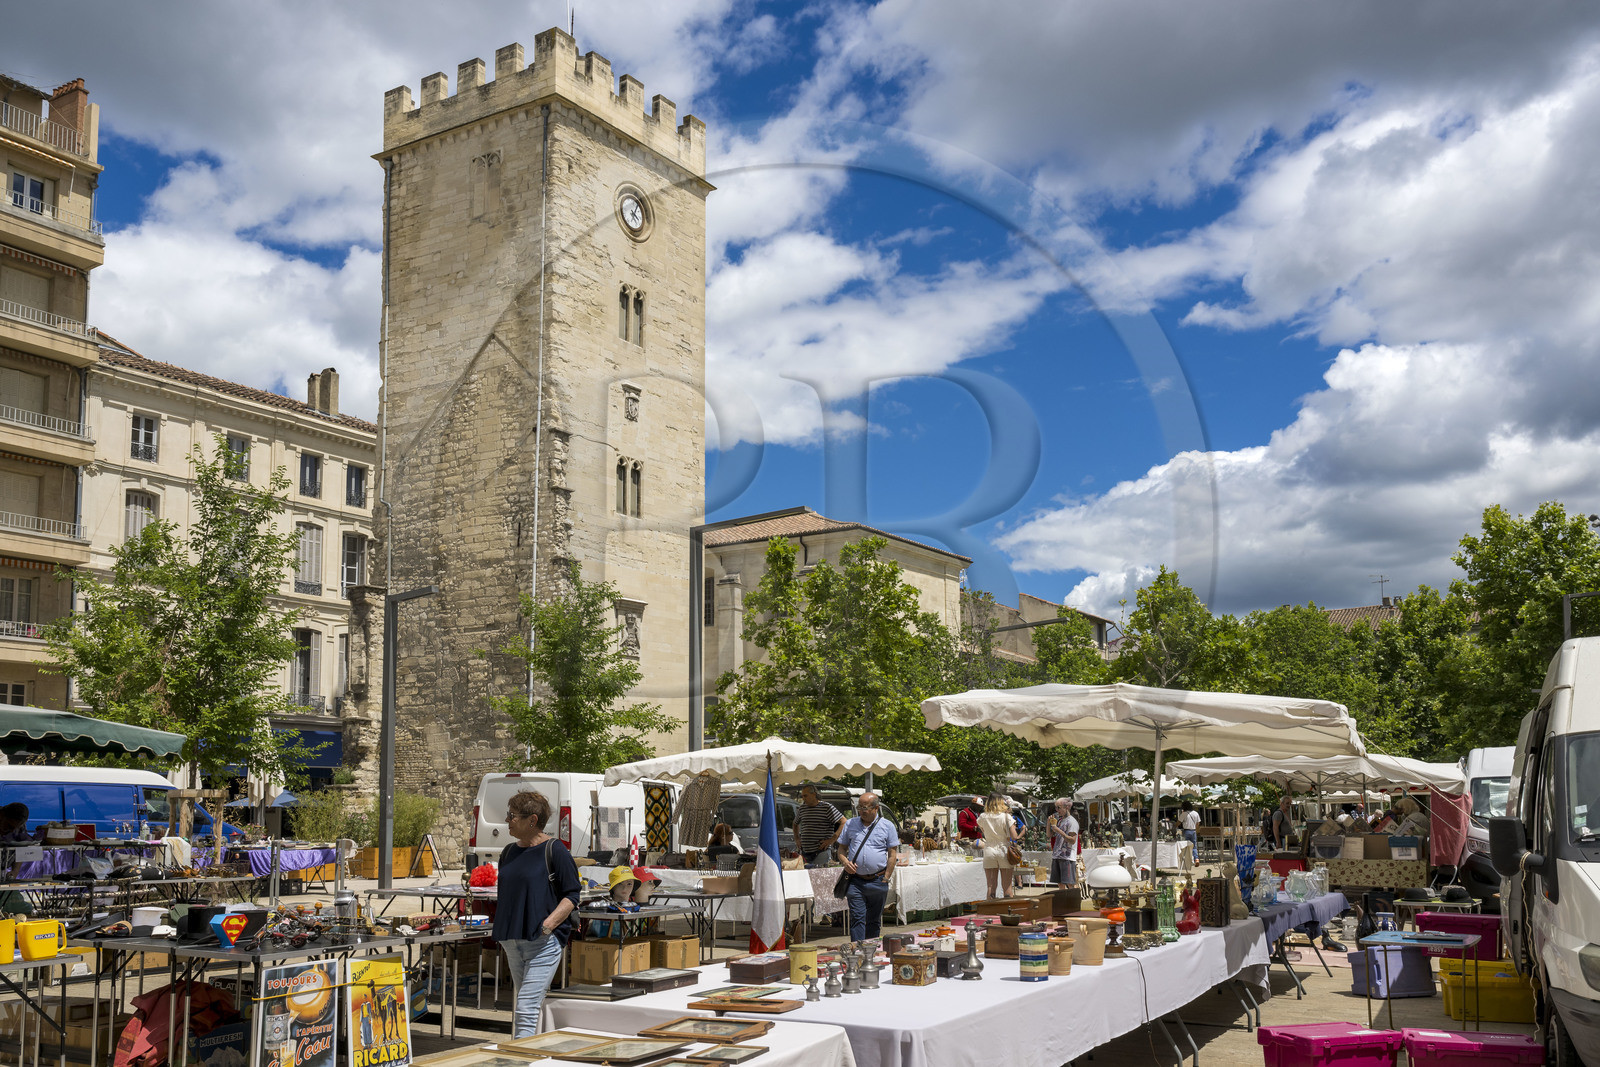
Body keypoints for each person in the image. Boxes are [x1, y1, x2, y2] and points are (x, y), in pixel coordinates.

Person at [492, 789, 581, 1038]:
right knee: (528, 1006)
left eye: (512, 815)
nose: (507, 820)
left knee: (525, 1009)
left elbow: (572, 895)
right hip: (513, 943)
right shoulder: (509, 852)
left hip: (542, 943)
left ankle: (519, 1060)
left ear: (532, 820)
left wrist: (548, 925)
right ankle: (537, 1054)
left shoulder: (556, 850)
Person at [836, 792, 899, 941]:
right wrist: (845, 863)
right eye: (859, 807)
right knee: (857, 918)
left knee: (873, 920)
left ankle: (871, 953)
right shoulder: (850, 824)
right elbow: (841, 849)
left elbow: (892, 854)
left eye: (865, 808)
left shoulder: (887, 826)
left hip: (878, 880)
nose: (861, 811)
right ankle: (857, 952)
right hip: (855, 881)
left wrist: (886, 877)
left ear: (876, 808)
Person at [792, 785, 846, 867]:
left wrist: (832, 839)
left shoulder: (826, 807)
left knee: (820, 875)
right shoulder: (802, 808)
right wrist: (797, 839)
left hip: (821, 851)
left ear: (814, 794)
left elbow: (844, 821)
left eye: (805, 796)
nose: (803, 798)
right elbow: (795, 823)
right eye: (802, 796)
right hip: (805, 851)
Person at [978, 793, 1019, 899]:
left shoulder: (983, 817)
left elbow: (983, 831)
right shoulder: (1006, 817)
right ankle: (1008, 911)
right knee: (1007, 886)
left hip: (989, 850)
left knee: (991, 886)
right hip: (1003, 849)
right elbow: (1014, 836)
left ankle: (990, 911)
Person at [1045, 797, 1078, 887]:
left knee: (1069, 883)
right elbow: (1049, 835)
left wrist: (1058, 830)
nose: (1057, 810)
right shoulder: (1059, 820)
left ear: (1066, 807)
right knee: (1060, 883)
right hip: (1057, 855)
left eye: (1059, 807)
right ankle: (1062, 900)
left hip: (1067, 857)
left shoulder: (1072, 822)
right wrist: (1049, 823)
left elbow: (1072, 840)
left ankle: (1072, 900)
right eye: (1056, 807)